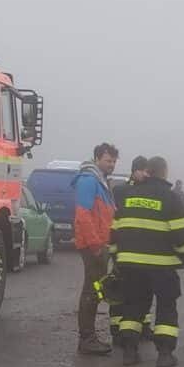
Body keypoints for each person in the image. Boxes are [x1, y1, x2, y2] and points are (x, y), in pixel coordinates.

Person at [111, 155, 184, 367]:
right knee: (166, 306)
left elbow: (114, 232)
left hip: (130, 264)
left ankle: (129, 351)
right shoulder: (170, 197)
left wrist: (117, 257)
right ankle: (164, 354)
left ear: (147, 171)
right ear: (164, 172)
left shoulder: (128, 195)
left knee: (132, 306)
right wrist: (182, 256)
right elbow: (181, 235)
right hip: (163, 266)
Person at [72, 142, 119, 355]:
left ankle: (89, 336)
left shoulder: (100, 181)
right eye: (108, 160)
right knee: (92, 291)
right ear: (97, 159)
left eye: (114, 161)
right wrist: (95, 245)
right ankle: (87, 339)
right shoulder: (89, 181)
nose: (112, 164)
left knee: (96, 289)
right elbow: (83, 215)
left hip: (100, 243)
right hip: (94, 246)